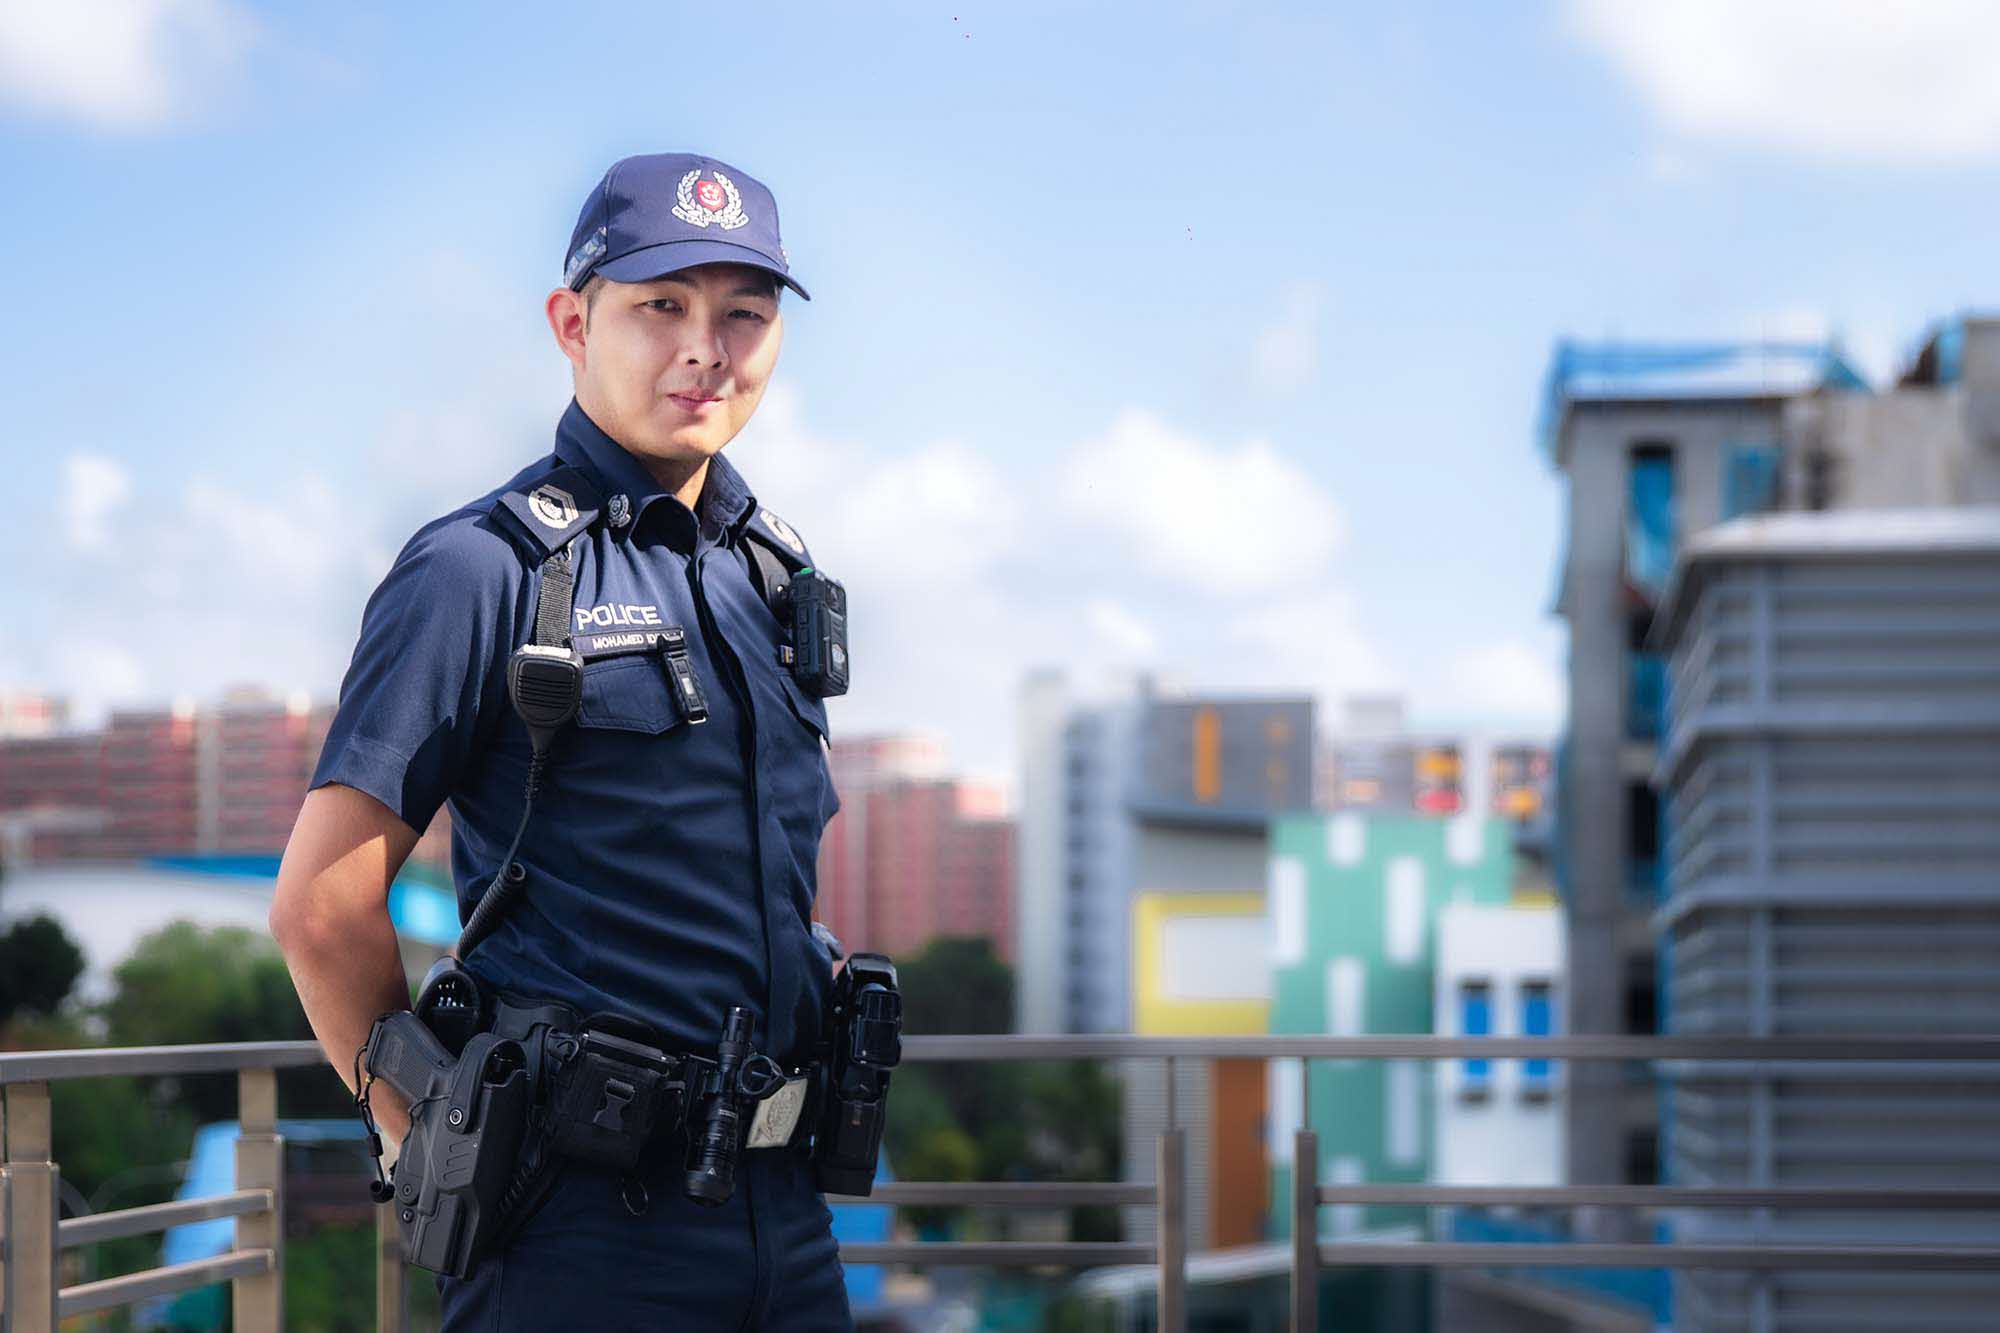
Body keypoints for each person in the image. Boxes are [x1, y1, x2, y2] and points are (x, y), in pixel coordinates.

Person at [271, 152, 854, 1330]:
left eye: (743, 312)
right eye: (659, 308)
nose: (707, 347)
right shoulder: (481, 570)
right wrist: (425, 1135)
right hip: (576, 1233)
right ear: (571, 323)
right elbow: (322, 907)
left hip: (784, 1220)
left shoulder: (770, 575)